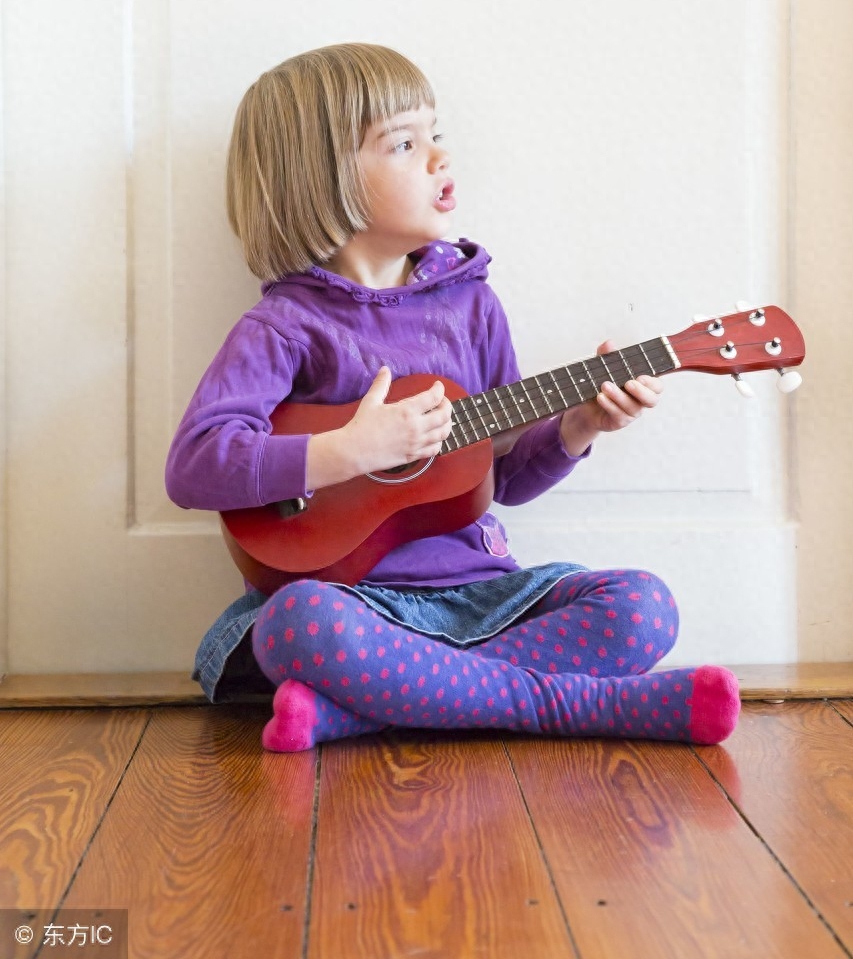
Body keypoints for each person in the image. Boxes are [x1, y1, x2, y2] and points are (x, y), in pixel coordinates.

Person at [165, 42, 740, 752]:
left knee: (643, 607)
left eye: (435, 136)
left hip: (484, 598)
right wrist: (349, 451)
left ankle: (359, 712)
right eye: (404, 144)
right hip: (354, 607)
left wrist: (578, 424)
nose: (438, 158)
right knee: (294, 626)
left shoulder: (471, 307)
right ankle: (577, 707)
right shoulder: (285, 325)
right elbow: (194, 464)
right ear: (321, 178)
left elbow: (502, 480)